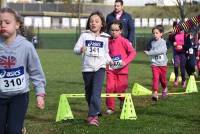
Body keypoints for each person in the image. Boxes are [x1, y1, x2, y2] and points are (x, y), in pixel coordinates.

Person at [0, 8, 46, 134]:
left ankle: (18, 128)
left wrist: (40, 94)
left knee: (13, 130)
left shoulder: (26, 46)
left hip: (19, 96)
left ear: (17, 25)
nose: (2, 25)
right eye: (0, 23)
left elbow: (36, 72)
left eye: (7, 22)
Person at [74, 11, 112, 127]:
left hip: (100, 68)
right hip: (87, 68)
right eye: (91, 21)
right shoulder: (84, 35)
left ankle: (92, 116)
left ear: (102, 24)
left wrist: (110, 61)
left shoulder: (105, 37)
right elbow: (75, 49)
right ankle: (95, 108)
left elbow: (106, 53)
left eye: (96, 21)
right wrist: (80, 50)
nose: (93, 23)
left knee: (96, 92)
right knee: (89, 93)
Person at [105, 20, 136, 114]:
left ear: (120, 31)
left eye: (116, 30)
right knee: (110, 88)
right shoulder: (107, 41)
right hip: (111, 69)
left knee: (120, 89)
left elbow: (133, 52)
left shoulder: (124, 41)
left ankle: (123, 99)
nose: (114, 32)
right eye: (112, 30)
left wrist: (125, 62)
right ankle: (110, 108)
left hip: (122, 70)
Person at [144, 25, 168, 101]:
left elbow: (161, 51)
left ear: (161, 34)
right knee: (155, 78)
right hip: (155, 64)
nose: (155, 34)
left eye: (157, 33)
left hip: (163, 65)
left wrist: (150, 53)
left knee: (163, 80)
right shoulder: (152, 42)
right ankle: (155, 92)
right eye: (153, 33)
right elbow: (149, 48)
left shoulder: (163, 42)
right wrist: (148, 51)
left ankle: (164, 88)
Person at [169, 21, 187, 88]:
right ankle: (176, 79)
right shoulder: (174, 34)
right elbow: (170, 40)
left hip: (183, 53)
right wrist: (173, 42)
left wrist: (182, 46)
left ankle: (183, 80)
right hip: (176, 53)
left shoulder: (185, 35)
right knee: (176, 66)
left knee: (182, 68)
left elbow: (188, 45)